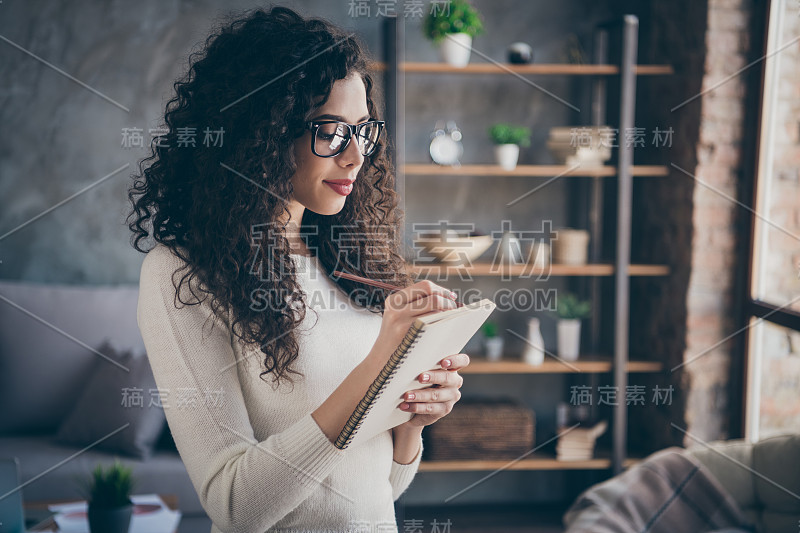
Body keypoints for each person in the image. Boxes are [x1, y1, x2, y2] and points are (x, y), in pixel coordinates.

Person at [126, 5, 471, 532]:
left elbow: (377, 491)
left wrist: (412, 426)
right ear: (260, 134)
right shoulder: (181, 276)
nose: (356, 157)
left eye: (363, 131)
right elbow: (236, 505)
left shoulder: (347, 262)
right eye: (331, 131)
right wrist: (377, 367)